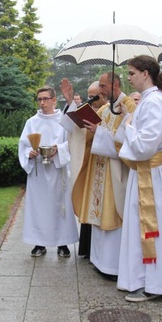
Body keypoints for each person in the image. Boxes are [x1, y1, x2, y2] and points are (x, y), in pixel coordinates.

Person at [113, 55, 162, 302]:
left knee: (152, 228)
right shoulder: (148, 101)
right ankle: (140, 279)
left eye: (131, 73)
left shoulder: (154, 102)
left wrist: (128, 125)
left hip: (151, 174)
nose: (128, 78)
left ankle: (155, 284)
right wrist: (127, 121)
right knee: (138, 226)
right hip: (144, 172)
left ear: (145, 73)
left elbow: (145, 145)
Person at [63, 73, 136, 280]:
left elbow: (129, 142)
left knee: (113, 216)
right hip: (99, 171)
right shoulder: (105, 109)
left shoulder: (129, 107)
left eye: (103, 86)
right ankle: (100, 261)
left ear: (115, 84)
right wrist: (71, 105)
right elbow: (83, 135)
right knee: (98, 216)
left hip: (116, 172)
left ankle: (114, 266)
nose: (101, 91)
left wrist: (100, 132)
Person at [19, 87, 79, 258]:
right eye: (39, 99)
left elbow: (72, 142)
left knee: (60, 207)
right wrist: (28, 154)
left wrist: (57, 149)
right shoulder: (32, 122)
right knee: (39, 208)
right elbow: (23, 145)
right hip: (38, 173)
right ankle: (39, 243)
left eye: (46, 99)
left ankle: (63, 243)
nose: (42, 102)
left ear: (54, 100)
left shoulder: (63, 120)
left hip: (57, 170)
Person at [60, 80, 105, 260]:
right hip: (89, 164)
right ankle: (87, 246)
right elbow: (73, 130)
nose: (92, 100)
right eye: (90, 96)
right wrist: (70, 101)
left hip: (105, 165)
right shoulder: (91, 111)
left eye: (95, 96)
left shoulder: (110, 111)